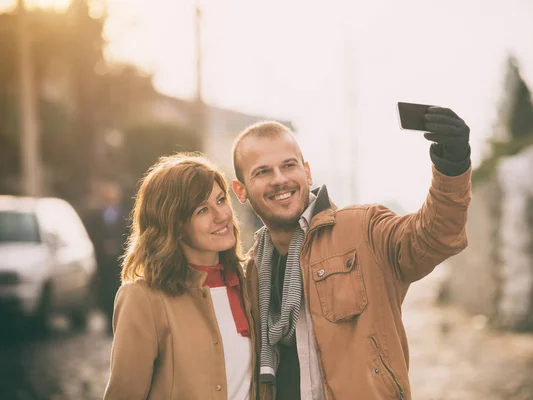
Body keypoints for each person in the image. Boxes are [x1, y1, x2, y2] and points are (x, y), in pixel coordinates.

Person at [231, 107, 472, 400]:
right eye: (263, 171)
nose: (279, 179)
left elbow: (433, 237)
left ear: (306, 172)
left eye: (288, 166)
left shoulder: (363, 229)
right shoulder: (253, 271)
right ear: (241, 191)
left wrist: (452, 165)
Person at [104, 153, 257, 400]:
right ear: (175, 225)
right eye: (202, 210)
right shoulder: (143, 298)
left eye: (221, 200)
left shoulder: (251, 282)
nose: (222, 216)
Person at [84, 181, 129, 333]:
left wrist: (118, 246)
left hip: (120, 259)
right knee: (105, 289)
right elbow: (92, 234)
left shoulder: (125, 215)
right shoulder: (95, 216)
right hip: (103, 261)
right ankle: (108, 316)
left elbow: (129, 235)